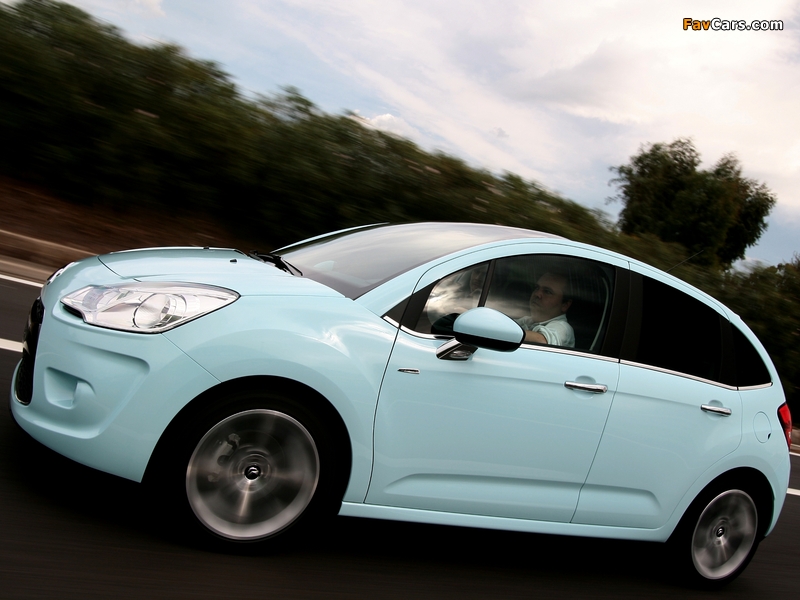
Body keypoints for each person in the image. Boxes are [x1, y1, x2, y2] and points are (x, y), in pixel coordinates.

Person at [517, 272, 575, 347]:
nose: (537, 294)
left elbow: (542, 341)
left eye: (547, 292)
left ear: (565, 305)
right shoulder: (527, 320)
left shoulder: (563, 328)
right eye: (537, 288)